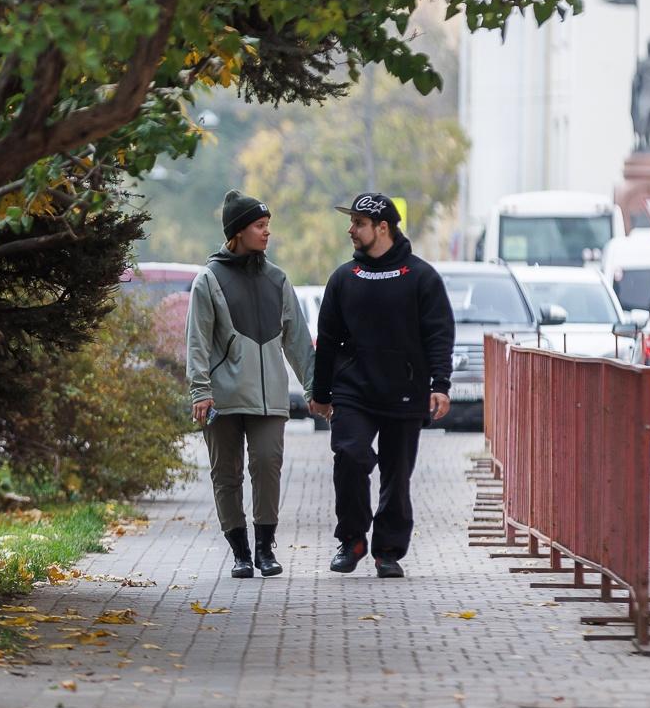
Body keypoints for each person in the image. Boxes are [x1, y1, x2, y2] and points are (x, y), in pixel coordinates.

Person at [308, 193, 454, 579]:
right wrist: (320, 394)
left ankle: (388, 550)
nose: (350, 230)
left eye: (358, 223)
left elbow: (439, 334)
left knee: (396, 474)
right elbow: (327, 339)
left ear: (382, 227)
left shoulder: (421, 277)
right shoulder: (344, 278)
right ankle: (352, 538)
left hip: (405, 390)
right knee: (351, 455)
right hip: (354, 391)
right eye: (352, 222)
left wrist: (440, 384)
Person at [186, 190, 315, 579]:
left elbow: (297, 339)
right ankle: (240, 551)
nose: (267, 233)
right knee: (226, 474)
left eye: (267, 225)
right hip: (222, 399)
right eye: (260, 226)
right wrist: (200, 390)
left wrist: (314, 389)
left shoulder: (278, 279)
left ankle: (265, 548)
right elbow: (197, 340)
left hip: (270, 398)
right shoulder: (208, 280)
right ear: (238, 232)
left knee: (267, 464)